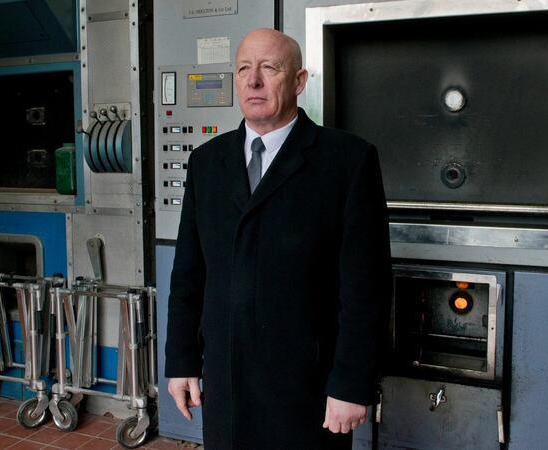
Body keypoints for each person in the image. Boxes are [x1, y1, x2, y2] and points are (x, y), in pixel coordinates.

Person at [165, 28, 391, 450]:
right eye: (243, 69)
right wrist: (181, 360)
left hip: (306, 390)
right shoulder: (206, 163)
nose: (253, 81)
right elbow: (188, 276)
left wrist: (352, 382)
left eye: (269, 68)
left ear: (299, 81)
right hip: (228, 385)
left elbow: (367, 286)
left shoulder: (348, 161)